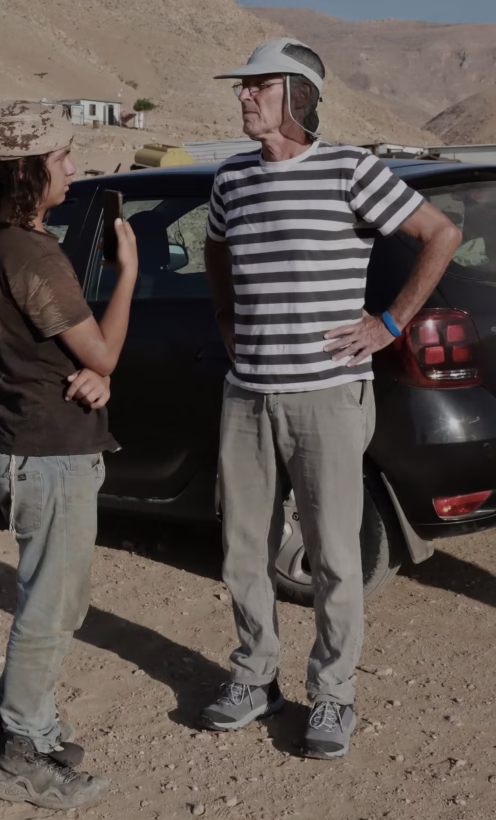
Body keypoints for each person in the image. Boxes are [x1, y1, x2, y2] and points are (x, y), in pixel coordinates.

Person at [199, 39, 462, 759]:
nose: (243, 96)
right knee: (243, 551)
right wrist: (224, 315)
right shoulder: (230, 180)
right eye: (243, 87)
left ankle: (334, 693)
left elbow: (440, 233)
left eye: (258, 86)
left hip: (327, 395)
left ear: (299, 95)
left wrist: (389, 324)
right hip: (246, 395)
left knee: (336, 556)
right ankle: (255, 678)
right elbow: (215, 249)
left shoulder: (351, 169)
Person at [0, 100, 138, 810]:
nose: (73, 168)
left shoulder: (1, 244)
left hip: (32, 449)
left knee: (54, 601)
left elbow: (47, 352)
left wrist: (90, 371)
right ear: (28, 171)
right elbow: (102, 351)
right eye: (61, 157)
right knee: (50, 612)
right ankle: (21, 756)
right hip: (49, 456)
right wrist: (128, 273)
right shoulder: (30, 252)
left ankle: (10, 730)